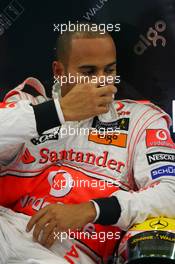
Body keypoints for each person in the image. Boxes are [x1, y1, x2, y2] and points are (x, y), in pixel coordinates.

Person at [0, 26, 175, 264]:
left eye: (109, 70)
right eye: (89, 72)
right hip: (6, 227)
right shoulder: (29, 106)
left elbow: (170, 192)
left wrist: (93, 209)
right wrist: (58, 112)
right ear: (60, 72)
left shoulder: (141, 119)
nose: (102, 81)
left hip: (65, 253)